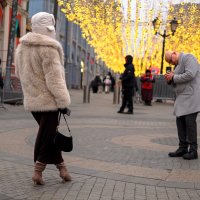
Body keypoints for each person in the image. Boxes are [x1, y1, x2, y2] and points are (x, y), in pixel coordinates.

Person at [15, 12, 71, 185]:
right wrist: (63, 102)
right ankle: (37, 171)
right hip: (50, 102)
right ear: (50, 28)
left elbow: (18, 73)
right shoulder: (49, 48)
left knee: (49, 134)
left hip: (33, 101)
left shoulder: (21, 47)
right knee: (46, 137)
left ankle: (62, 169)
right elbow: (54, 79)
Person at [164, 50, 200, 160]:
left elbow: (190, 74)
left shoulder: (189, 58)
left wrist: (174, 77)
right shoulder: (177, 65)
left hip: (191, 97)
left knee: (190, 123)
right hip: (182, 98)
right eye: (169, 62)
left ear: (174, 53)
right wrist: (170, 79)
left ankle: (193, 151)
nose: (171, 63)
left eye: (171, 60)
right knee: (180, 121)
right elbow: (178, 80)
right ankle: (183, 147)